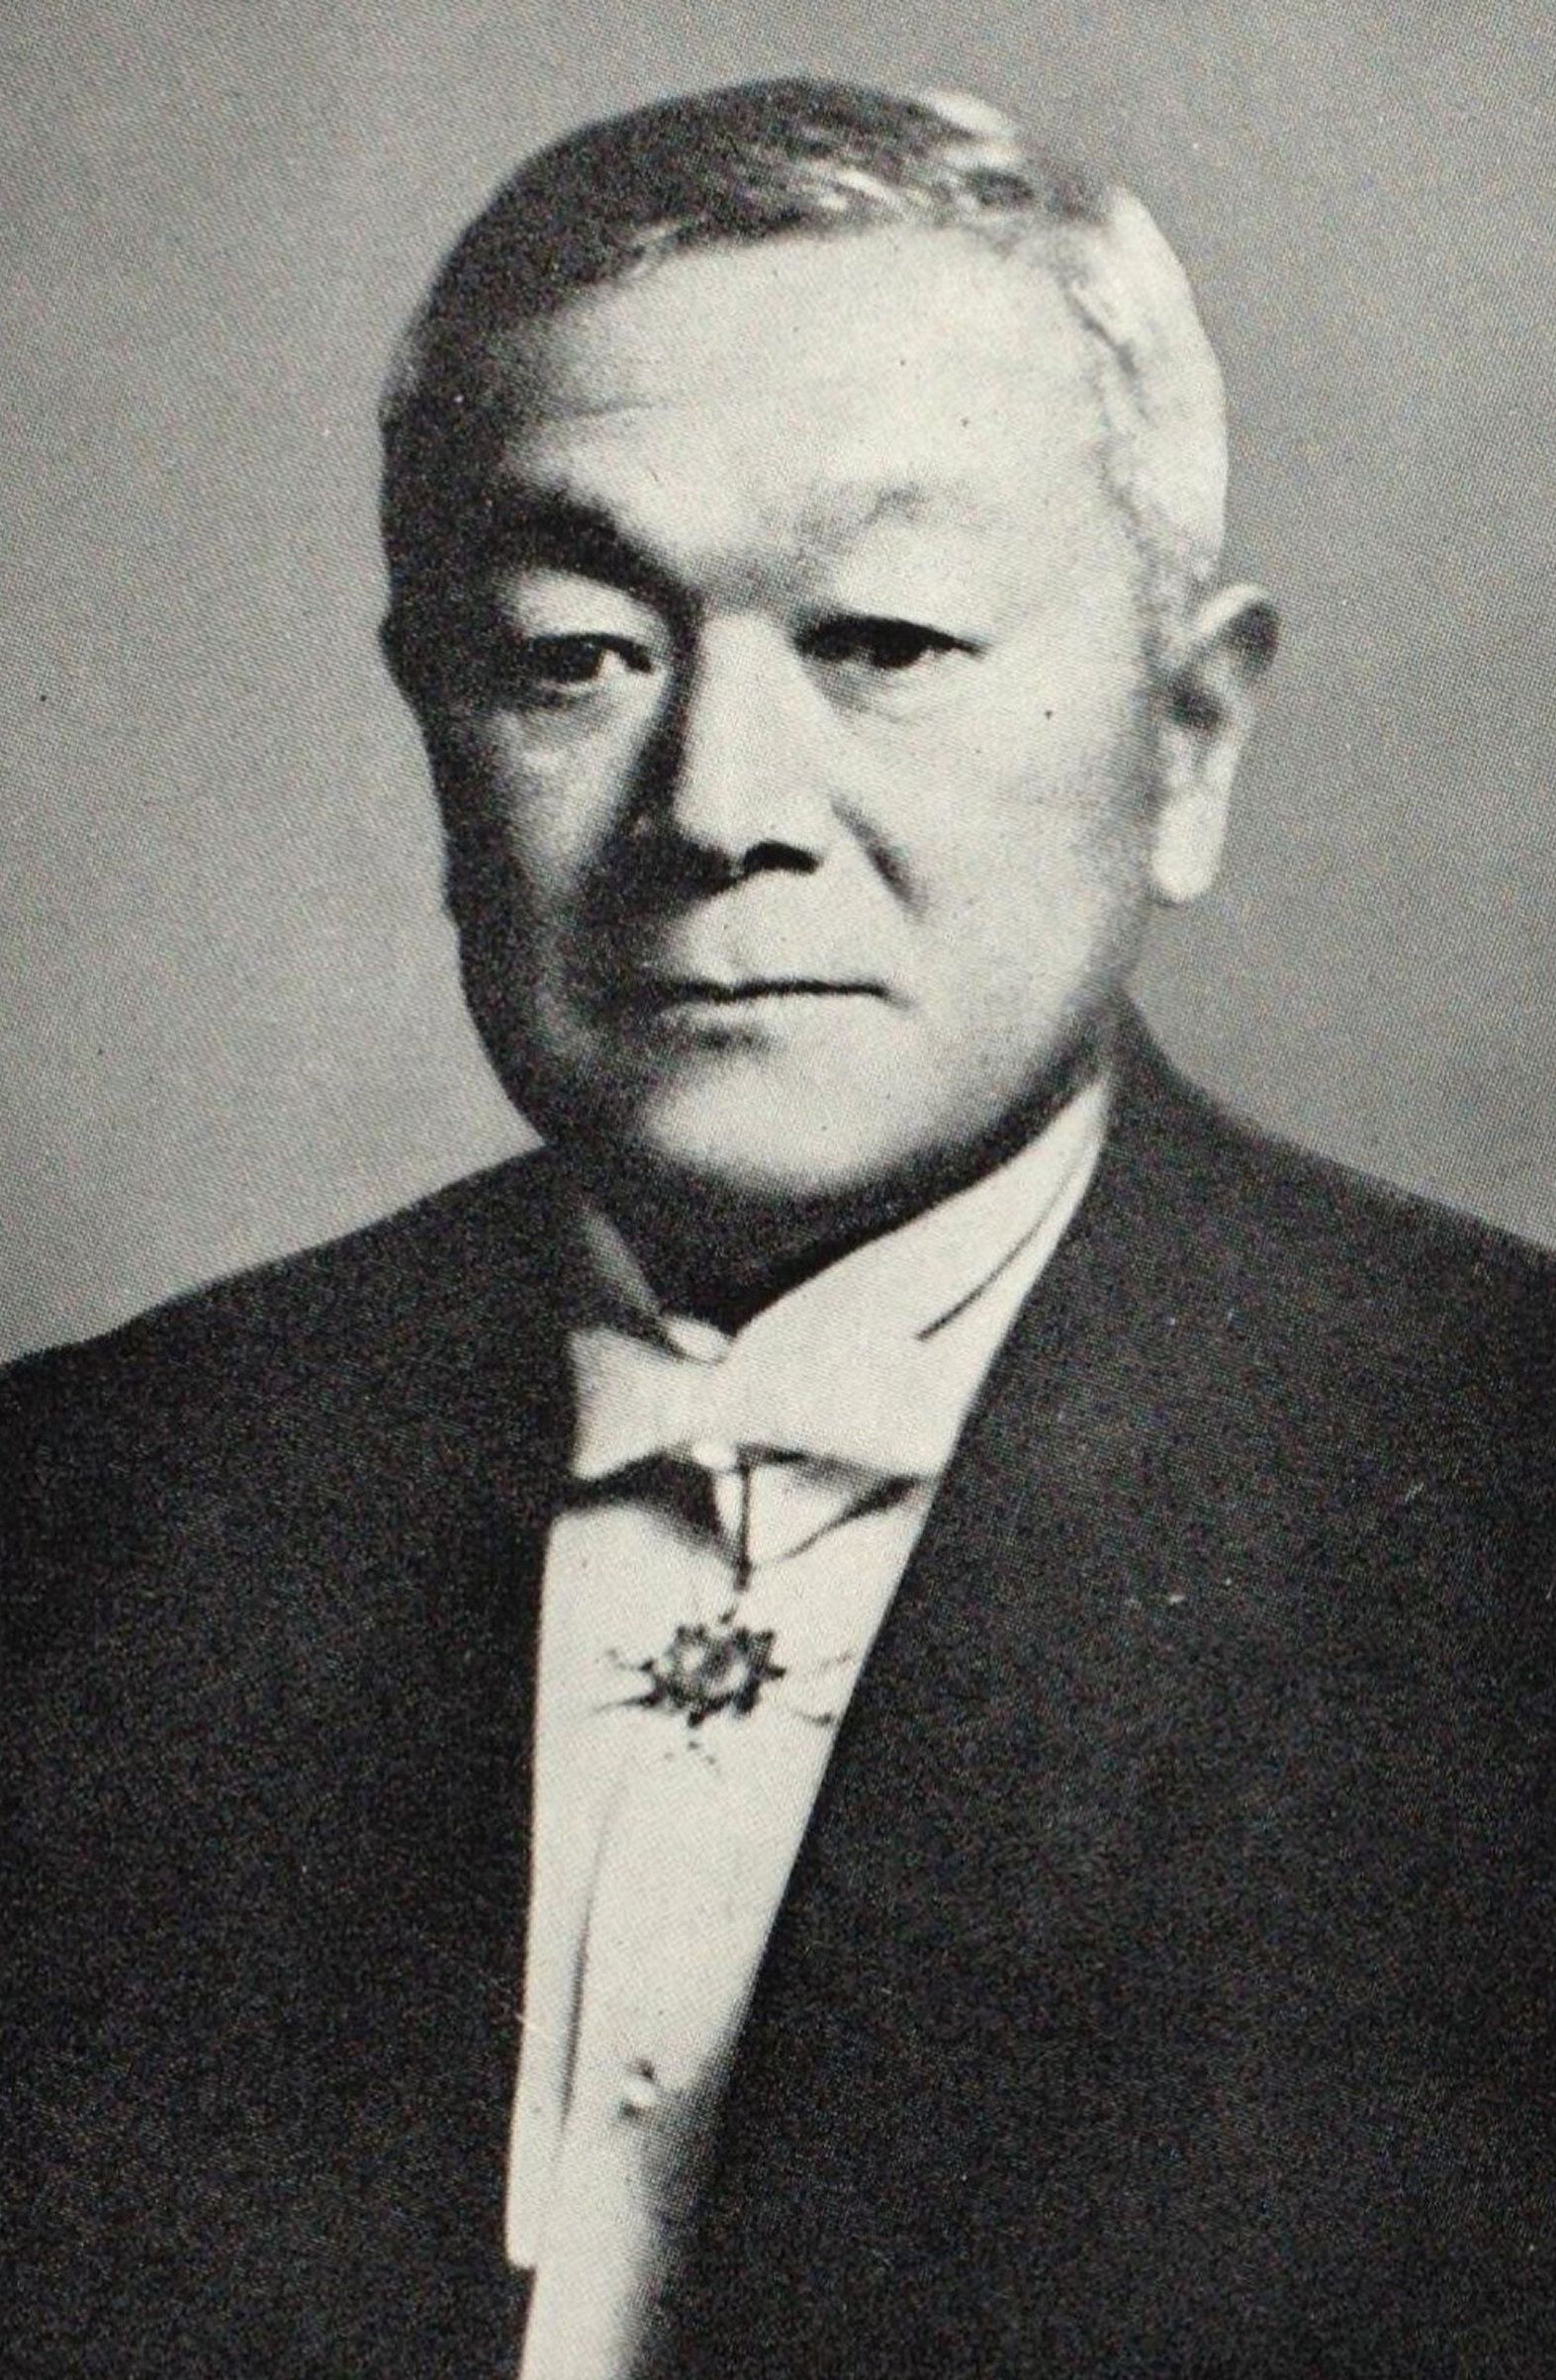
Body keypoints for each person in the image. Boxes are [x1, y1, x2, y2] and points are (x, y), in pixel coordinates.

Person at [3, 77, 1553, 2379]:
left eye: (885, 637)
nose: (719, 808)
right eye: (571, 653)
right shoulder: (78, 1516)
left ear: (1191, 737)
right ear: (434, 723)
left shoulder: (1503, 1495)